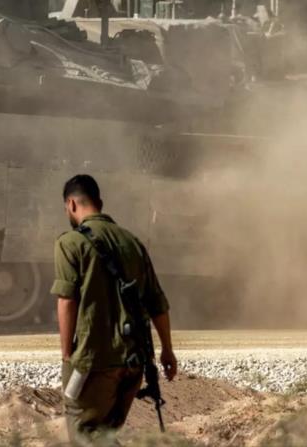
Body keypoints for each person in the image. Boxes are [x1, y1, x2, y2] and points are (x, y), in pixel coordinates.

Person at [52, 174, 177, 442]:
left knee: (84, 435)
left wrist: (66, 355)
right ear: (100, 202)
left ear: (71, 204)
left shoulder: (70, 243)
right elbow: (157, 301)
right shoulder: (132, 242)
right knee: (105, 435)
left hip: (93, 362)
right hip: (134, 363)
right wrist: (167, 350)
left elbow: (66, 300)